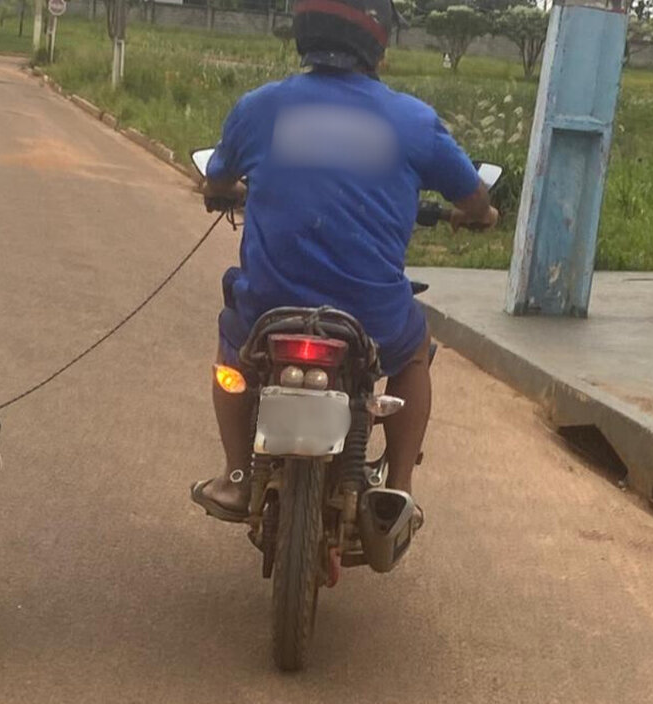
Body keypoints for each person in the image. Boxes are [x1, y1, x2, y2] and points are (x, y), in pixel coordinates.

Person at [189, 0, 499, 527]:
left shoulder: (259, 108)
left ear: (303, 30)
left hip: (269, 306)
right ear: (377, 40)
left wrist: (227, 191)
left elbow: (215, 181)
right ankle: (398, 490)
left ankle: (238, 476)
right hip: (371, 315)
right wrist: (484, 214)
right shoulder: (414, 120)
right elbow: (473, 199)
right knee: (412, 356)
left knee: (232, 354)